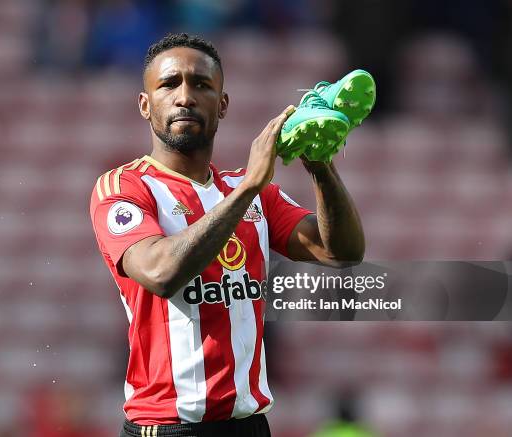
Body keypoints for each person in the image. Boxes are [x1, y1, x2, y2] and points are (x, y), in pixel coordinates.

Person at [89, 33, 365, 437]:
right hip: (167, 427)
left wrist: (320, 166)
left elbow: (342, 252)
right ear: (145, 106)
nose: (185, 96)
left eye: (201, 84)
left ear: (222, 105)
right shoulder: (124, 189)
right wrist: (249, 186)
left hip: (248, 427)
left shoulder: (251, 192)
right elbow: (162, 274)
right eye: (169, 84)